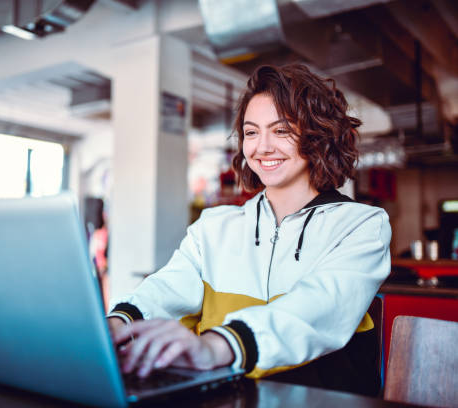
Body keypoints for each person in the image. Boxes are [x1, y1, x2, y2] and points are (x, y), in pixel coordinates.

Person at [107, 64, 391, 396]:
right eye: (252, 132)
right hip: (226, 397)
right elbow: (166, 289)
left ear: (318, 136)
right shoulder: (214, 226)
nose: (262, 147)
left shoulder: (361, 225)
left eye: (281, 130)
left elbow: (318, 306)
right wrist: (117, 325)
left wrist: (217, 346)